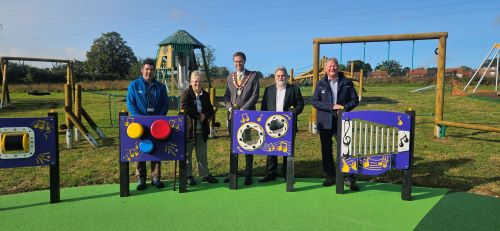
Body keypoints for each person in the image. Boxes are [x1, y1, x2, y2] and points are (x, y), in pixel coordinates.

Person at [311, 57, 360, 191]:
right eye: (330, 66)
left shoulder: (347, 83)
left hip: (342, 121)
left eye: (334, 66)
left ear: (338, 67)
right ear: (325, 69)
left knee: (345, 150)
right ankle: (330, 175)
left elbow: (355, 100)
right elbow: (315, 102)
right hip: (325, 122)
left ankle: (348, 176)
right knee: (326, 150)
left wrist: (343, 108)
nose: (332, 68)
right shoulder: (320, 84)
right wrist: (332, 106)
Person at [126, 58, 168, 190]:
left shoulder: (160, 87)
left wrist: (158, 118)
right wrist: (142, 119)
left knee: (156, 148)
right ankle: (141, 178)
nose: (149, 72)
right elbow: (130, 104)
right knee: (141, 148)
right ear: (142, 70)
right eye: (147, 69)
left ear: (154, 71)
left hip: (156, 124)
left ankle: (156, 177)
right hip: (140, 124)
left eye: (151, 69)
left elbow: (165, 104)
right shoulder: (134, 85)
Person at [258, 66, 304, 182]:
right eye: (278, 76)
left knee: (286, 149)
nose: (280, 77)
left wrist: (292, 114)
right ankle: (271, 173)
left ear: (287, 77)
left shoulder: (294, 89)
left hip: (288, 124)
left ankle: (287, 174)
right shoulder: (268, 90)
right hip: (271, 124)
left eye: (283, 75)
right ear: (275, 77)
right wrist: (263, 121)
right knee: (271, 149)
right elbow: (264, 107)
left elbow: (300, 105)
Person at [223, 51, 260, 186]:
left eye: (240, 61)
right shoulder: (229, 77)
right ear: (233, 62)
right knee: (234, 145)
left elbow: (255, 95)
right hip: (233, 116)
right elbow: (226, 96)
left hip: (248, 115)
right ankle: (233, 172)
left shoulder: (253, 76)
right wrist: (230, 107)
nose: (238, 64)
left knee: (248, 144)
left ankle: (248, 174)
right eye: (236, 61)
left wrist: (243, 109)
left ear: (244, 61)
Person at [180, 70, 219, 185]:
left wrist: (205, 116)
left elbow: (210, 110)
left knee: (202, 154)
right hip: (189, 130)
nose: (198, 84)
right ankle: (188, 176)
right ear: (191, 82)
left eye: (200, 82)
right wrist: (198, 116)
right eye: (195, 82)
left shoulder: (206, 95)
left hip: (202, 130)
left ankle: (205, 174)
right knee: (187, 155)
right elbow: (184, 108)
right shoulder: (186, 93)